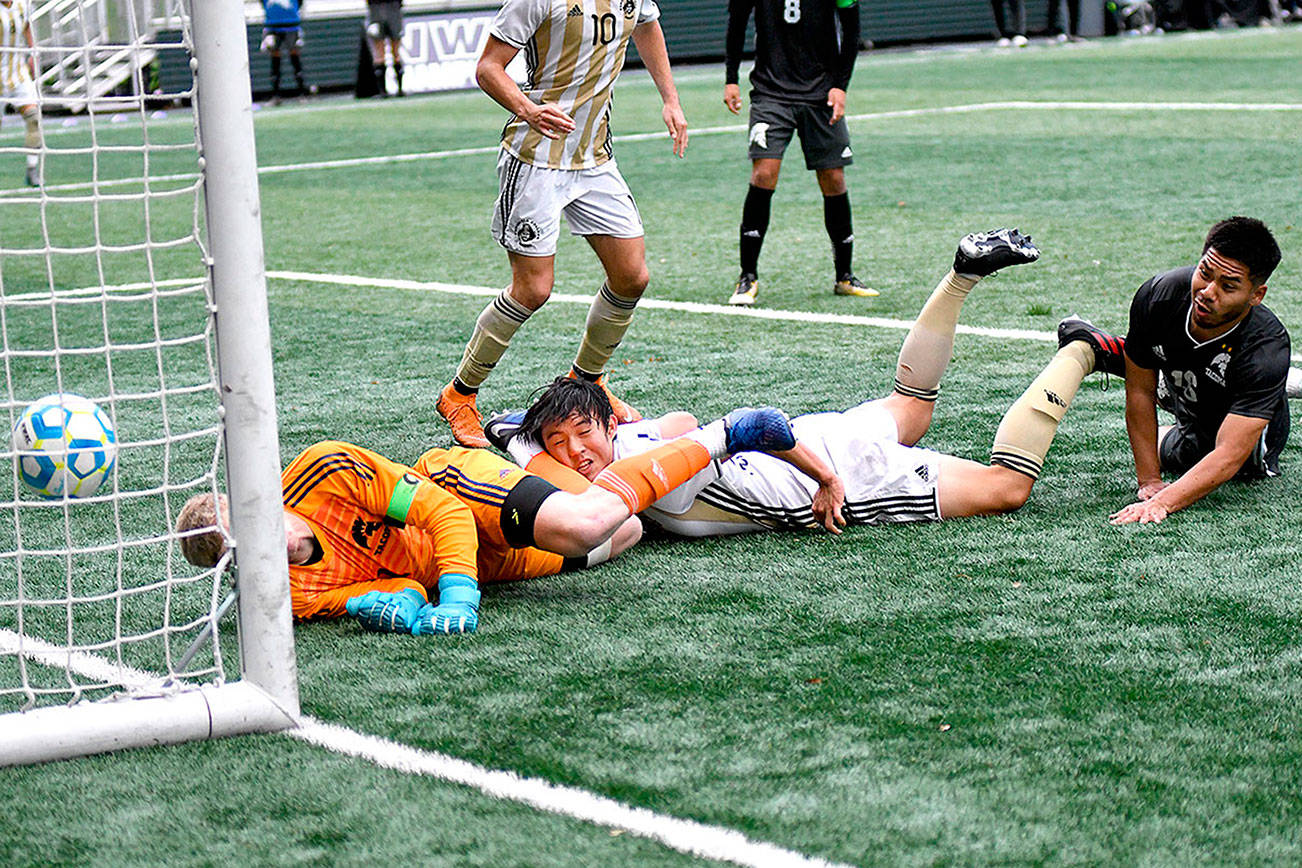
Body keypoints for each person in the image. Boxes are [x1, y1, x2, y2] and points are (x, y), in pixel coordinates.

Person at [491, 229, 1131, 536]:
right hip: (817, 441)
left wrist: (829, 482)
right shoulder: (613, 449)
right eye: (558, 441)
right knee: (910, 407)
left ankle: (1077, 353)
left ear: (609, 423)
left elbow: (744, 423)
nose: (572, 451)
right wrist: (521, 433)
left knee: (1008, 488)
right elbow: (512, 434)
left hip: (823, 474)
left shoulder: (640, 463)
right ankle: (963, 271)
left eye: (580, 433)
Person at [175, 408, 794, 636]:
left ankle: (723, 434)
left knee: (582, 524)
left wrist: (457, 593)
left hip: (457, 492)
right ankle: (532, 447)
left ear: (253, 501)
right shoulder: (292, 594)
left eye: (251, 526)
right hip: (489, 566)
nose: (264, 549)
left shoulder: (323, 471)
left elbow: (441, 512)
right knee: (623, 531)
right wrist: (391, 608)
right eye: (243, 554)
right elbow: (401, 589)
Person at [434, 0, 688, 449]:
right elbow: (488, 68)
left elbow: (647, 26)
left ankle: (588, 383)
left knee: (631, 276)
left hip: (594, 158)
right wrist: (527, 109)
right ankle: (460, 395)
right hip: (536, 157)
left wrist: (670, 99)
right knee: (532, 289)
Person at [1057, 217, 1290, 525]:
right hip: (1187, 386)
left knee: (1216, 460)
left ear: (1256, 295)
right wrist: (1149, 481)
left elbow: (1229, 454)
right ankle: (1128, 355)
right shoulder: (1159, 295)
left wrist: (1162, 502)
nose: (1208, 291)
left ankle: (1120, 353)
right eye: (1205, 273)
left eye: (1228, 286)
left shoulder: (1266, 347)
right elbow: (1140, 390)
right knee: (1163, 384)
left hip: (1239, 426)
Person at [723, 0, 875, 307]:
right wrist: (730, 78)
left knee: (833, 177)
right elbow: (737, 20)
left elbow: (851, 26)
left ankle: (844, 276)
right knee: (764, 173)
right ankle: (747, 277)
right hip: (771, 92)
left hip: (821, 93)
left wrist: (840, 85)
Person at [0, 0, 41, 187]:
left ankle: (32, 171)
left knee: (33, 118)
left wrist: (32, 52)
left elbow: (26, 25)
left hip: (18, 73)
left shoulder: (23, 4)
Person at [261, 0, 308, 105]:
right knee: (275, 58)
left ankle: (301, 94)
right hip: (272, 25)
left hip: (291, 24)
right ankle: (276, 96)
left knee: (294, 56)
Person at [365, 0, 404, 97]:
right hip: (381, 8)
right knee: (383, 53)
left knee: (392, 52)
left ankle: (392, 90)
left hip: (388, 8)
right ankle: (386, 90)